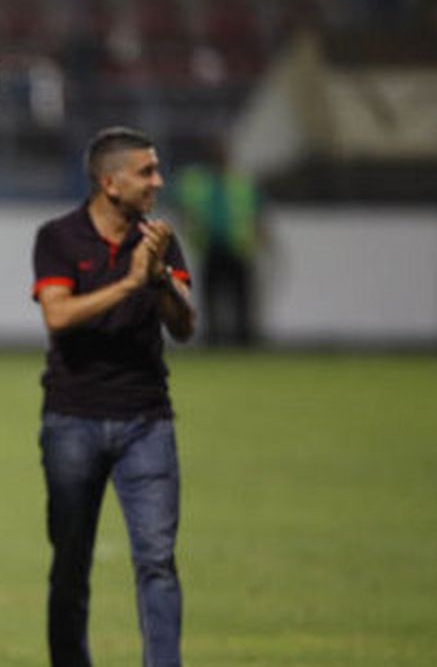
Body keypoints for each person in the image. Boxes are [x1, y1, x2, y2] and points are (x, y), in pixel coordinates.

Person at [30, 127, 196, 667]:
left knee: (157, 560)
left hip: (147, 420)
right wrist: (129, 283)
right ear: (110, 181)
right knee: (72, 562)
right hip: (72, 420)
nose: (158, 181)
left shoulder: (159, 240)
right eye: (146, 171)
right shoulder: (57, 237)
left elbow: (186, 324)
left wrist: (159, 281)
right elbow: (57, 315)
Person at [175, 147, 263, 346]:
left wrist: (260, 236)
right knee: (212, 297)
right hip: (210, 247)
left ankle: (243, 338)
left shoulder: (240, 182)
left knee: (241, 297)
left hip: (238, 248)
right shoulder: (198, 183)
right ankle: (215, 338)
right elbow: (183, 208)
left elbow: (256, 211)